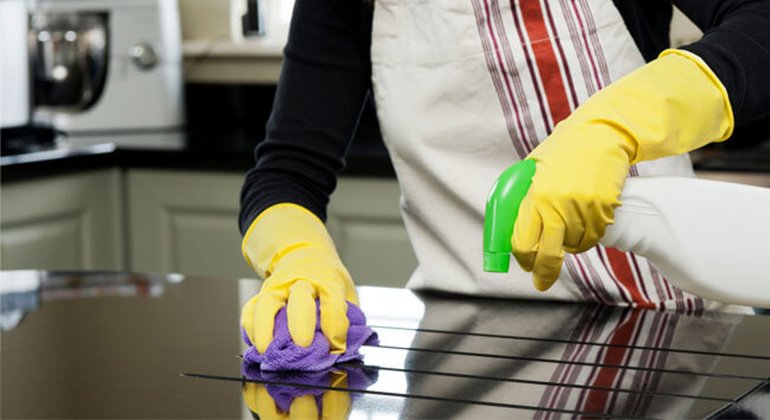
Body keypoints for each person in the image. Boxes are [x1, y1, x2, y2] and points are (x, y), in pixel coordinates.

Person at [239, 0, 770, 355]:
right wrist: (297, 258)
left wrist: (622, 123)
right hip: (469, 345)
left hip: (681, 328)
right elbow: (287, 172)